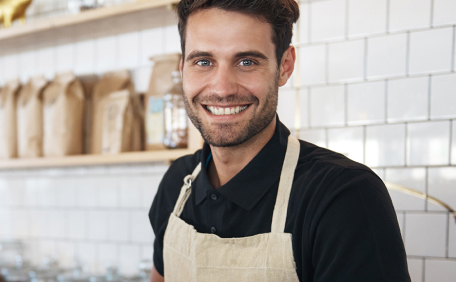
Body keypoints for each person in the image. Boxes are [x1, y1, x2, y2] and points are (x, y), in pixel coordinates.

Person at [147, 0, 411, 281]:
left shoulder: (343, 197)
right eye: (203, 62)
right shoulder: (177, 182)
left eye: (247, 61)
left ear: (284, 66)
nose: (222, 89)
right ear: (183, 68)